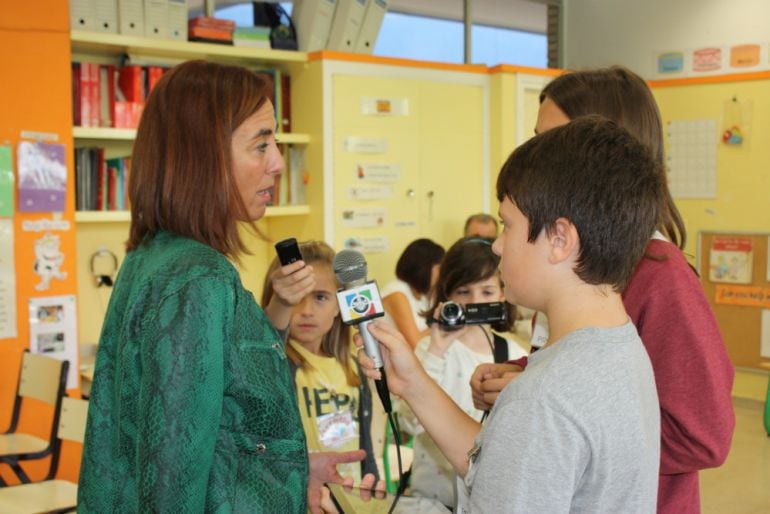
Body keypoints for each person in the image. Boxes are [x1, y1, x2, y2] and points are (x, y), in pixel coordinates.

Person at [77, 60, 375, 513]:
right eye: (260, 145)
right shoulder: (199, 278)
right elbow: (172, 477)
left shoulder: (155, 256)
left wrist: (289, 467)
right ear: (205, 156)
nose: (276, 163)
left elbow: (219, 412)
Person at [360, 116, 664, 512]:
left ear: (559, 239)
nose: (499, 247)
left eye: (507, 226)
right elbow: (503, 469)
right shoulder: (619, 347)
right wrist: (414, 382)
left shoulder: (543, 397)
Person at [470, 66, 735, 514]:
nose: (539, 153)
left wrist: (558, 418)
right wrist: (520, 376)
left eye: (554, 138)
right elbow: (576, 366)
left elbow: (703, 435)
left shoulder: (659, 272)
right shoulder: (567, 268)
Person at [397, 236, 526, 508]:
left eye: (487, 292)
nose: (475, 302)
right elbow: (408, 423)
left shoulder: (514, 355)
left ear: (503, 294)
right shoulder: (429, 349)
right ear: (447, 294)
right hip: (432, 499)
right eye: (464, 292)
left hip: (486, 499)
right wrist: (436, 350)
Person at [260, 240, 379, 483]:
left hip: (349, 493)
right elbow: (266, 344)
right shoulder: (277, 363)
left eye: (321, 297)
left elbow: (365, 445)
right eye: (297, 297)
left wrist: (372, 481)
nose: (306, 310)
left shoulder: (353, 369)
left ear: (340, 305)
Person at [381, 238, 445, 348]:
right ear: (425, 268)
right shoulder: (397, 293)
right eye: (439, 268)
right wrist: (443, 326)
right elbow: (415, 343)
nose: (441, 274)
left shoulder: (422, 296)